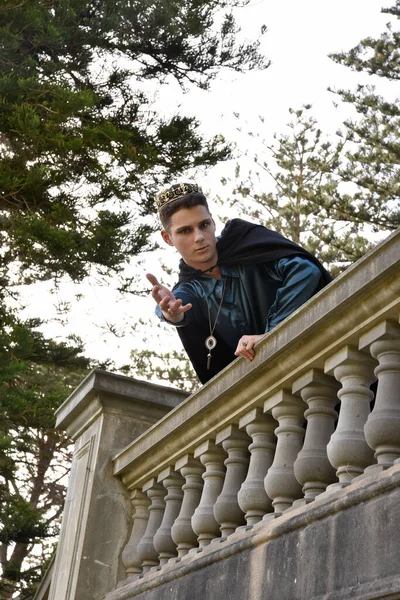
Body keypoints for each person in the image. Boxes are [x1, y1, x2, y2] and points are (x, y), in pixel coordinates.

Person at [146, 182, 332, 384]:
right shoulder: (192, 289)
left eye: (204, 225)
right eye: (185, 231)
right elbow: (179, 304)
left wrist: (272, 333)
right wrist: (169, 313)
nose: (199, 237)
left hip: (317, 360)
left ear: (213, 222)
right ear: (168, 238)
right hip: (275, 387)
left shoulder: (247, 243)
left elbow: (305, 270)